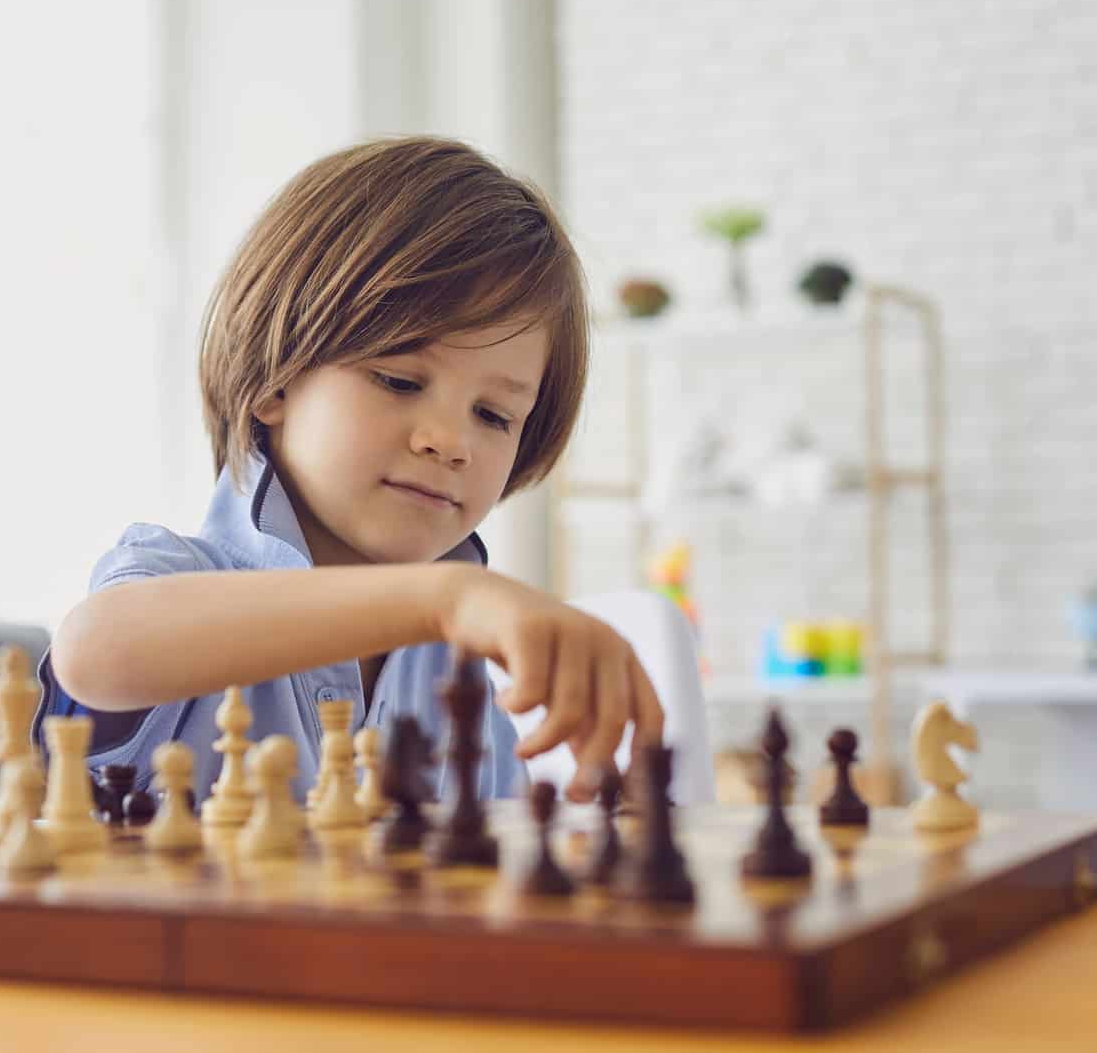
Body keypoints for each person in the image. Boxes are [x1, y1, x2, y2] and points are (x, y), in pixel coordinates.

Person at [37, 135, 662, 805]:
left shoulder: (467, 681)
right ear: (275, 381)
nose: (449, 441)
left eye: (494, 416)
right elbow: (96, 650)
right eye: (397, 380)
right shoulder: (174, 580)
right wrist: (445, 600)